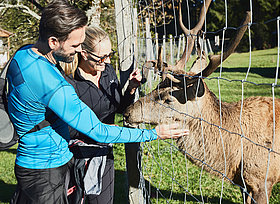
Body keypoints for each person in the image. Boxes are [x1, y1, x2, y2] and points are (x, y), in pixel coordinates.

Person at [6, 1, 189, 203]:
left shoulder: (23, 54)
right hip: (47, 170)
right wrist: (154, 133)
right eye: (75, 45)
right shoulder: (54, 85)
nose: (78, 51)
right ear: (53, 42)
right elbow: (98, 131)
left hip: (29, 163)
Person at [62, 26, 141, 204]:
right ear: (84, 53)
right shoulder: (70, 82)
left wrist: (131, 87)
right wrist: (100, 131)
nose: (107, 60)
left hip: (104, 155)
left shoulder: (108, 72)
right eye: (102, 56)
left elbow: (119, 109)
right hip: (77, 157)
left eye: (110, 54)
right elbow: (67, 127)